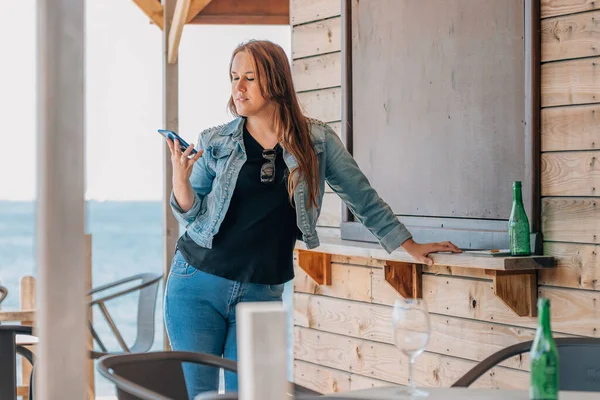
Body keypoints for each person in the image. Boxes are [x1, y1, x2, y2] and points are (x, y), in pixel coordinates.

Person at [163, 39, 461, 397]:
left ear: (274, 81)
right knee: (202, 397)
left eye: (249, 78)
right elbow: (191, 216)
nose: (238, 88)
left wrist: (407, 243)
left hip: (260, 291)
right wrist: (180, 180)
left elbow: (361, 196)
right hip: (196, 284)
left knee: (258, 394)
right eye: (233, 77)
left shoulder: (316, 141)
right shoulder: (215, 141)